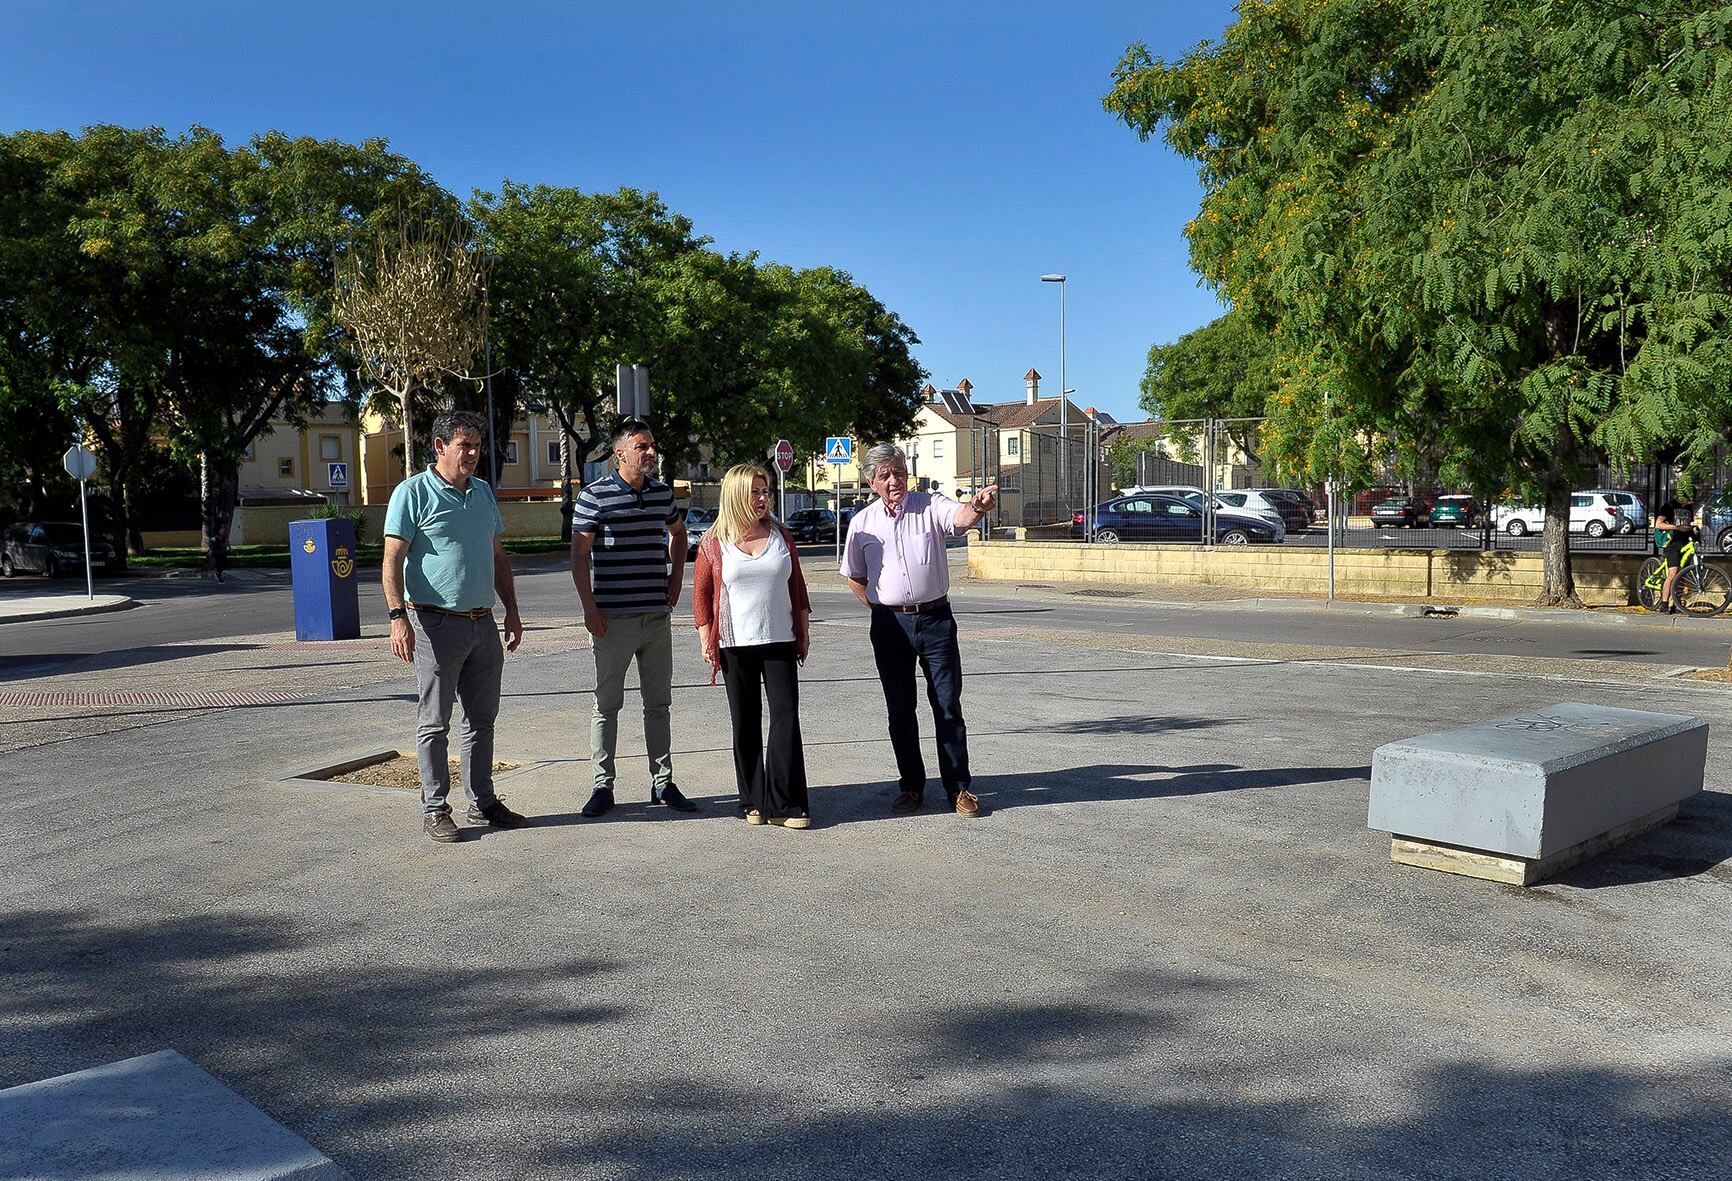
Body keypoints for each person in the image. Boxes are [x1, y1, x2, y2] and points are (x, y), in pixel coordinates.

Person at [382, 409, 526, 843]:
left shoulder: (482, 492)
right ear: (439, 446)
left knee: (482, 720)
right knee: (435, 722)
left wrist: (513, 612)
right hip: (435, 623)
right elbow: (391, 561)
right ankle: (434, 808)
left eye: (477, 446)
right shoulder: (412, 494)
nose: (472, 454)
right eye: (463, 445)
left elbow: (498, 558)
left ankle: (482, 801)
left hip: (483, 624)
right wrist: (397, 618)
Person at [841, 443, 996, 818]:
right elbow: (854, 576)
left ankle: (959, 788)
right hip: (890, 626)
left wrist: (975, 506)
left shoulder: (929, 505)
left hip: (936, 620)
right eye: (885, 475)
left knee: (947, 705)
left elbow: (958, 519)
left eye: (898, 472)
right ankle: (911, 786)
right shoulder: (862, 523)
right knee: (900, 709)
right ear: (871, 482)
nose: (894, 480)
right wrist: (883, 608)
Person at [570, 418, 693, 817]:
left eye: (652, 445)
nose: (651, 452)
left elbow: (679, 534)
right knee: (607, 705)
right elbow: (578, 555)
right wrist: (589, 608)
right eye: (642, 447)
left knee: (658, 704)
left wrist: (676, 576)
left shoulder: (661, 494)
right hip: (612, 619)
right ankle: (603, 786)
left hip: (656, 617)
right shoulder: (594, 496)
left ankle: (663, 783)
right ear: (620, 453)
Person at [692, 464, 813, 828]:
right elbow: (700, 595)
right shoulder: (714, 542)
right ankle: (753, 800)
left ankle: (787, 803)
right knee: (745, 722)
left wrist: (803, 631)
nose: (762, 499)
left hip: (779, 639)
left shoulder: (781, 535)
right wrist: (705, 640)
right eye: (755, 492)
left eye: (765, 492)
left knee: (786, 719)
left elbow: (799, 587)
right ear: (735, 495)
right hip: (733, 642)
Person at [1654, 494, 1696, 614]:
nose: (1690, 501)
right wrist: (1677, 527)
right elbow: (1658, 524)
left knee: (1682, 575)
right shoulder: (1668, 506)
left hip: (1685, 543)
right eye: (1688, 498)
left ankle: (1677, 604)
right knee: (1672, 574)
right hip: (1672, 544)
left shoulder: (1688, 507)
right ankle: (1664, 603)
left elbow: (1688, 524)